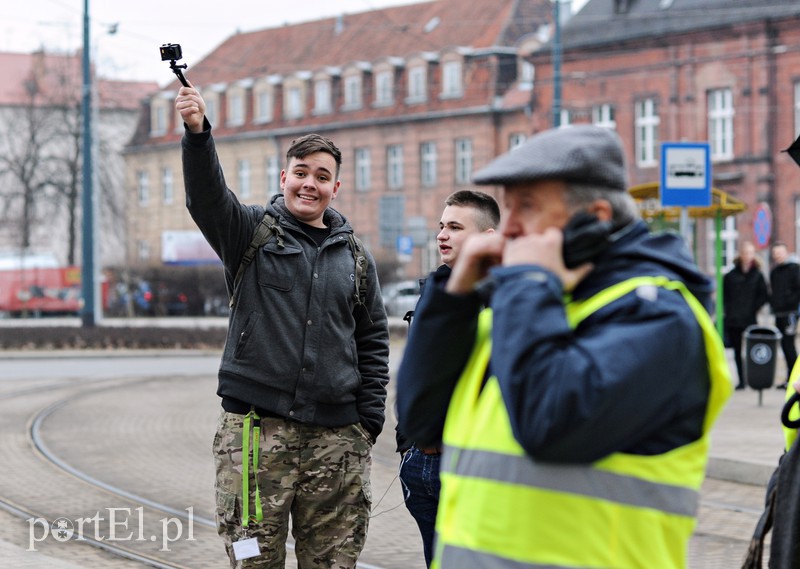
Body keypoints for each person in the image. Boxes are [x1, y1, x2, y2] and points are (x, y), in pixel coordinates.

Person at [396, 125, 732, 569]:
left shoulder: (658, 316)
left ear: (595, 217)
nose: (507, 228)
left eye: (527, 208)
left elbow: (548, 422)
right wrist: (452, 299)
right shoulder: (525, 302)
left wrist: (531, 283)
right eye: (508, 206)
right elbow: (421, 419)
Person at [175, 85, 390, 569]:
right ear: (283, 176)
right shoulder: (249, 232)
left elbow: (373, 339)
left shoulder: (355, 258)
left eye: (322, 176)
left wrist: (367, 421)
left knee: (334, 563)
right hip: (253, 440)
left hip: (336, 444)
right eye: (300, 173)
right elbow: (207, 199)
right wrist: (197, 134)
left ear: (336, 188)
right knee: (252, 560)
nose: (308, 184)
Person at [395, 190, 500, 568]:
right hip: (422, 466)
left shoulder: (507, 297)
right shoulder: (435, 291)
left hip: (472, 466)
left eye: (455, 227)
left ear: (488, 237)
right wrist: (410, 443)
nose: (442, 235)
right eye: (441, 226)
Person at [723, 241, 768, 390]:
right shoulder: (730, 275)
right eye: (745, 253)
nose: (747, 256)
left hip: (749, 318)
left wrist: (754, 308)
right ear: (740, 255)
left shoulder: (757, 275)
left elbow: (763, 295)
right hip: (734, 319)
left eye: (750, 253)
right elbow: (725, 296)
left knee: (751, 351)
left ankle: (751, 379)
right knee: (737, 351)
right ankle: (741, 381)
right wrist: (729, 310)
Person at [769, 242, 800, 389]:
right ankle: (789, 378)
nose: (777, 256)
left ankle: (793, 379)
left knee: (789, 346)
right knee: (784, 345)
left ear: (786, 253)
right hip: (779, 314)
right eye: (775, 253)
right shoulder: (774, 272)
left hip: (790, 314)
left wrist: (789, 303)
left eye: (780, 253)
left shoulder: (795, 269)